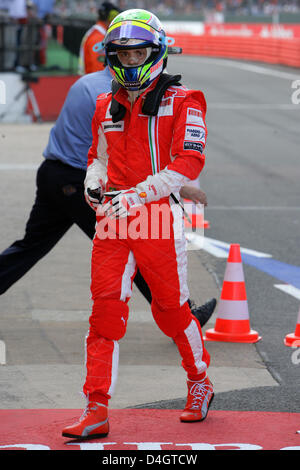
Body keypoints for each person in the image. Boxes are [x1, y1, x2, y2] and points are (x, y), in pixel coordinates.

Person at [62, 9, 214, 440]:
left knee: (170, 310)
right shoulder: (104, 103)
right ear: (111, 57)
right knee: (104, 313)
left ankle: (199, 380)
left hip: (157, 219)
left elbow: (190, 161)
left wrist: (138, 193)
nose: (130, 62)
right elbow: (97, 156)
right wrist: (93, 181)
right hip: (112, 219)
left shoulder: (185, 100)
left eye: (138, 53)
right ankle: (96, 408)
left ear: (156, 52)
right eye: (122, 55)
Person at [0, 63, 216, 323]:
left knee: (30, 246)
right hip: (81, 179)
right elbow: (125, 157)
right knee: (135, 248)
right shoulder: (117, 93)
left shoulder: (87, 83)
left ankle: (181, 314)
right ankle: (182, 317)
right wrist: (178, 186)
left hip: (53, 172)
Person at [78, 2, 121, 75]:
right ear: (112, 17)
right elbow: (98, 70)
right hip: (94, 83)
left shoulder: (97, 34)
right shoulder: (98, 38)